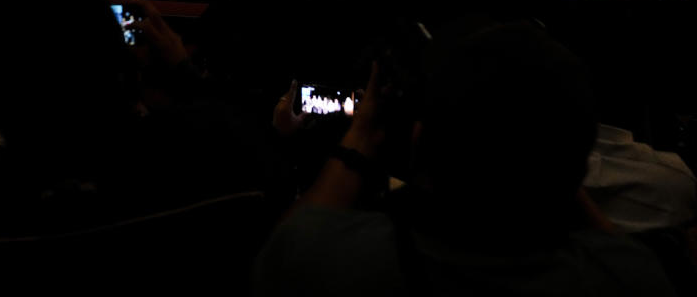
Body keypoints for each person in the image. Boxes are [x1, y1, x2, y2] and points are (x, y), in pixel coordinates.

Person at [254, 23, 678, 297]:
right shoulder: (630, 282)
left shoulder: (338, 265)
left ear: (420, 140)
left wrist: (361, 136)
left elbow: (286, 247)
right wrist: (549, 162)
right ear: (576, 169)